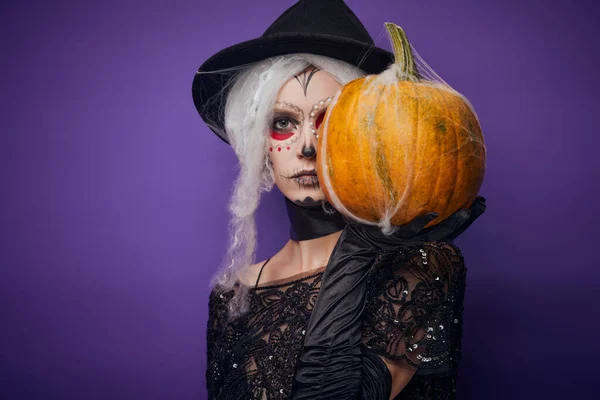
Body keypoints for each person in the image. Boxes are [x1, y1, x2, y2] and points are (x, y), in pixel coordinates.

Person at [192, 1, 486, 398]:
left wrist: (359, 251)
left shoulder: (421, 267)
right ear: (258, 143)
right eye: (283, 123)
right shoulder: (232, 295)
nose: (308, 147)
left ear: (372, 138)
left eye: (329, 119)